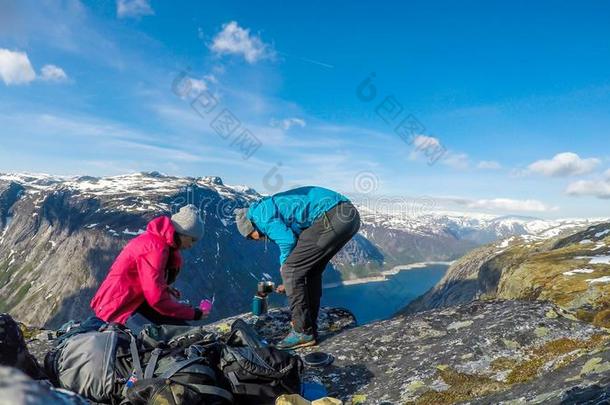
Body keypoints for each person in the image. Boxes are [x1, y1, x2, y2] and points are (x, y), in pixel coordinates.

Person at [234, 186, 360, 350]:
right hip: (348, 217)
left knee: (290, 269)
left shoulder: (259, 215)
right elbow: (300, 247)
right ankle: (308, 326)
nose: (256, 240)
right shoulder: (269, 208)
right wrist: (290, 281)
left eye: (251, 237)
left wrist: (285, 268)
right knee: (310, 271)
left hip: (334, 215)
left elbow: (287, 241)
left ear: (251, 227)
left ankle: (302, 331)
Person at [90, 204, 212, 326]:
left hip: (127, 301)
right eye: (192, 240)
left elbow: (145, 281)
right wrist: (193, 313)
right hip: (119, 308)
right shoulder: (155, 249)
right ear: (182, 233)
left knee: (175, 330)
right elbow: (156, 299)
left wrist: (165, 289)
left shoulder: (155, 241)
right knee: (176, 334)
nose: (192, 245)